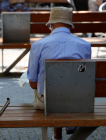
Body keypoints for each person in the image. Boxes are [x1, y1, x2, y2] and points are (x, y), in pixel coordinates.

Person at [27, 7, 91, 140]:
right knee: (65, 84)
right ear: (70, 25)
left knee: (47, 87)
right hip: (78, 101)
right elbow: (85, 76)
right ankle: (63, 130)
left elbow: (33, 84)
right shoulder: (84, 45)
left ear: (51, 25)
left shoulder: (38, 45)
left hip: (48, 102)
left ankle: (57, 136)